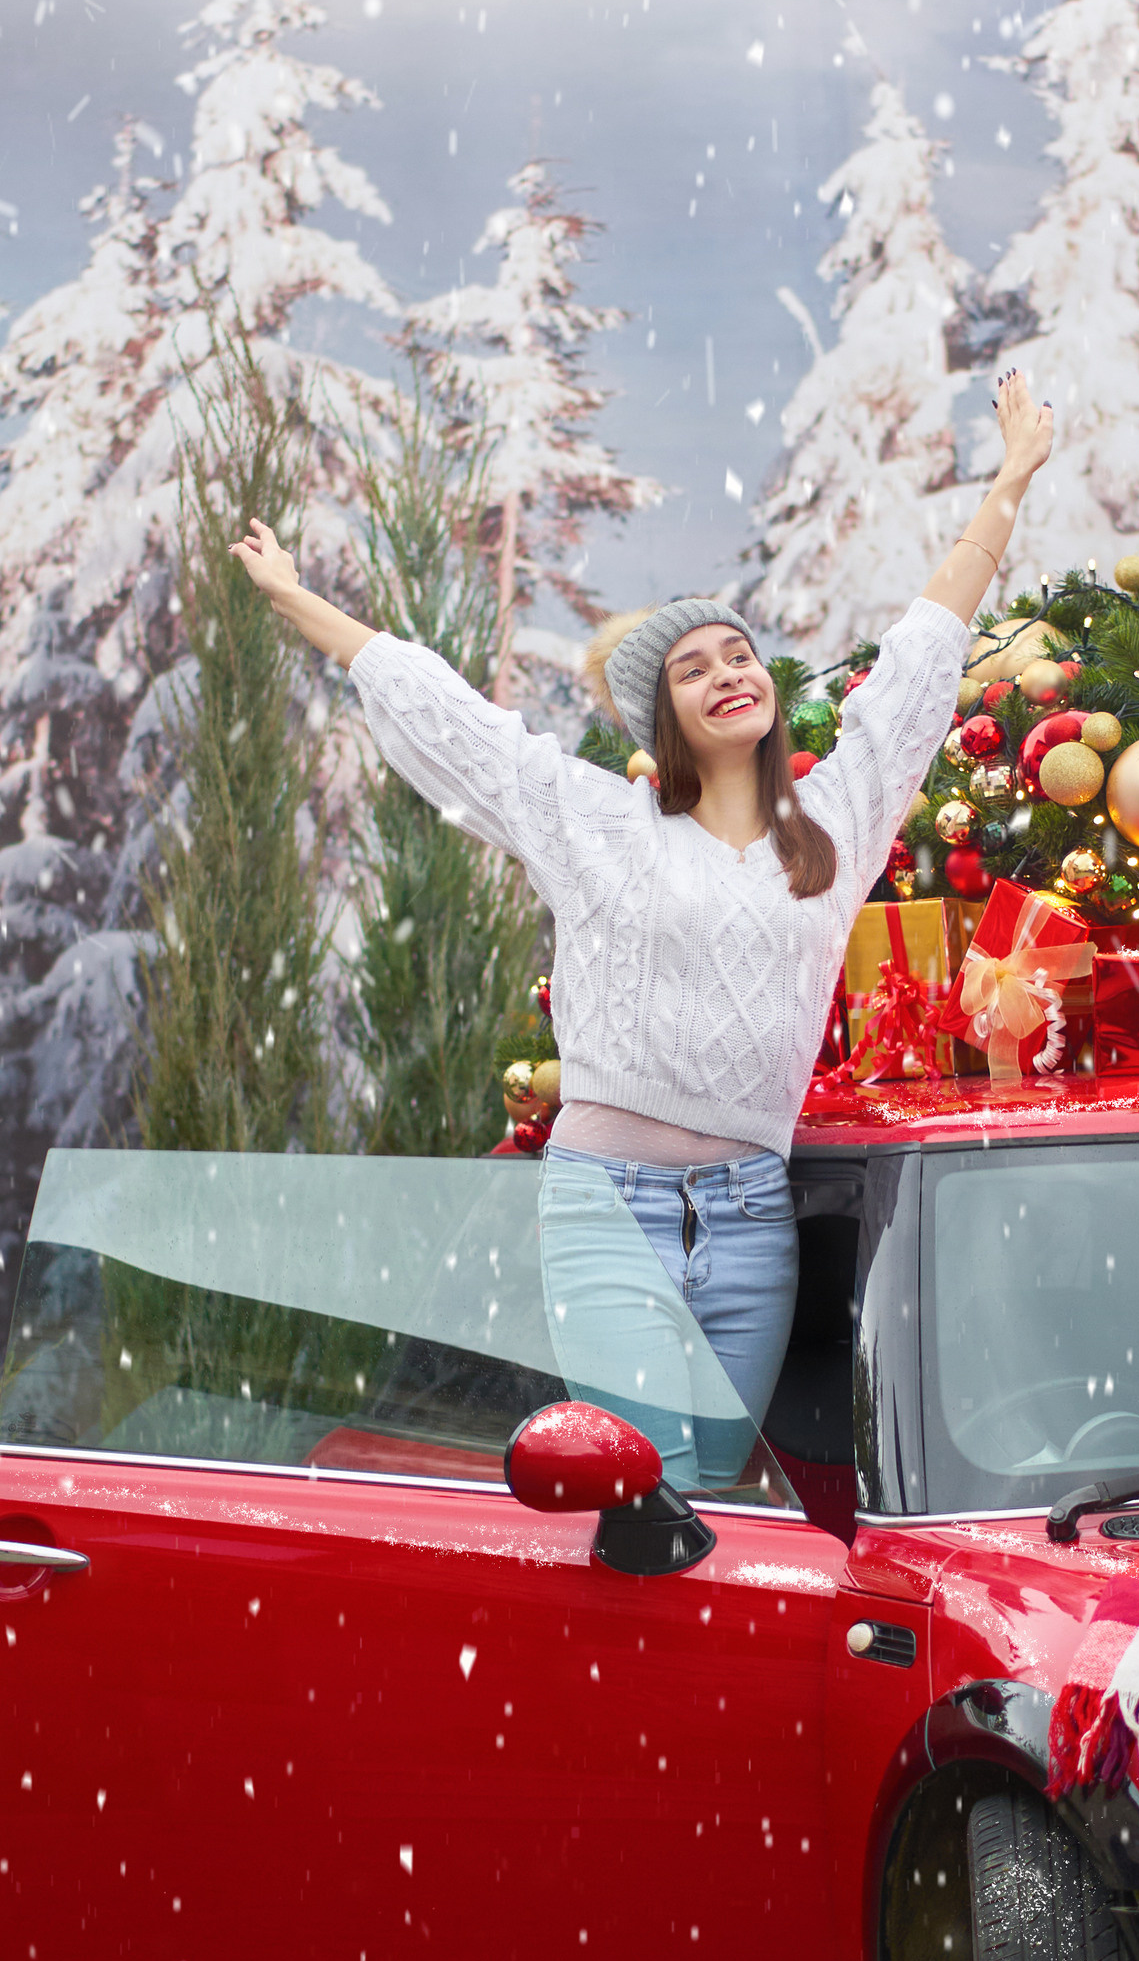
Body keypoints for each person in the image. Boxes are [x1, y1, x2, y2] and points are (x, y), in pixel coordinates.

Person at [233, 371, 1056, 1487]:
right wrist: (292, 599)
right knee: (649, 1492)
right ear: (661, 716)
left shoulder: (838, 822)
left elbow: (920, 655)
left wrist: (1004, 487)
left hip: (752, 1214)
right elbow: (450, 717)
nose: (727, 674)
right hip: (604, 1209)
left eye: (737, 655)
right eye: (693, 668)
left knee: (708, 1498)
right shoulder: (598, 824)